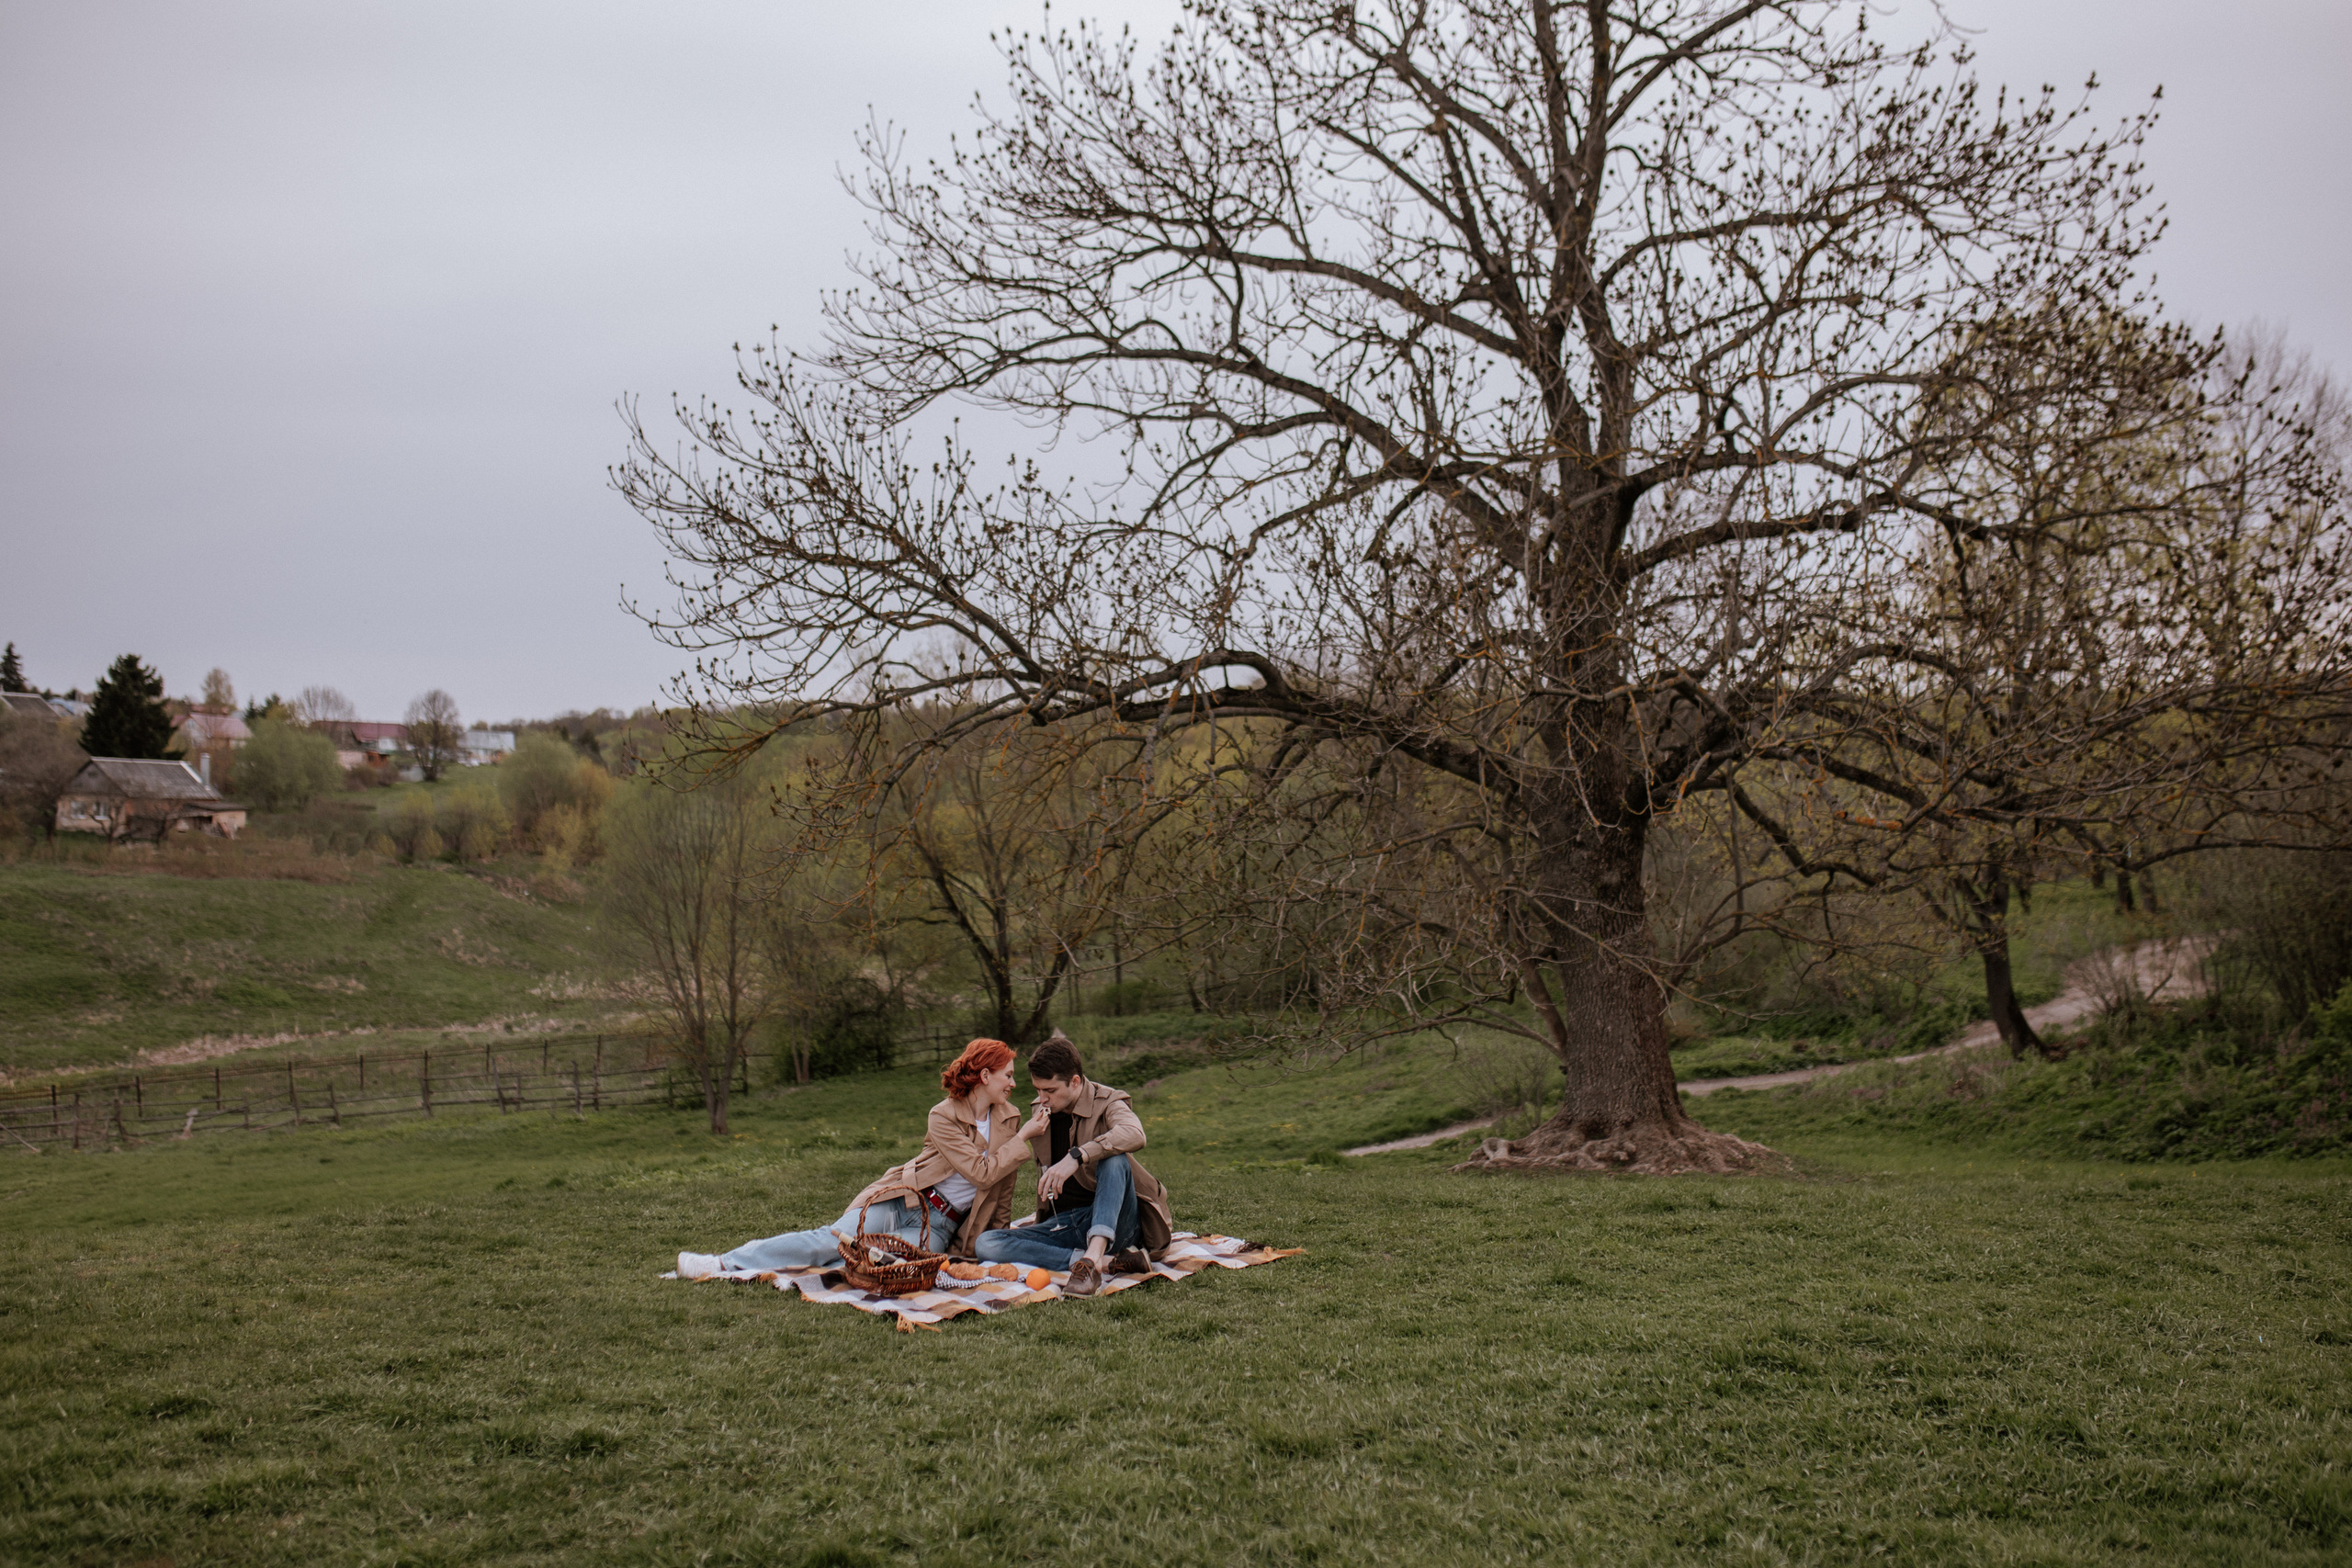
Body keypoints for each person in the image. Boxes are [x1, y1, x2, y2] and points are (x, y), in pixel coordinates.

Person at [675, 1038, 1046, 1279]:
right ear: (985, 1075)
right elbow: (981, 1173)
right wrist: (1026, 1136)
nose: (1013, 1084)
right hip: (905, 1200)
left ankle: (788, 1272)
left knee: (880, 1267)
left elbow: (1001, 1188)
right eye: (1008, 1075)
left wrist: (994, 1245)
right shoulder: (943, 1115)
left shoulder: (1008, 1118)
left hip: (940, 1227)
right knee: (831, 1242)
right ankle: (723, 1262)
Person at [973, 1031, 1173, 1297]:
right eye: (1038, 1090)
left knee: (1113, 1158)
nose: (1042, 1099)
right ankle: (1101, 1262)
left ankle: (1090, 1263)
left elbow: (1135, 1133)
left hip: (1120, 1222)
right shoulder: (1040, 1112)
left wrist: (1077, 1156)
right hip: (1070, 1223)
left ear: (1076, 1081)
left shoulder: (1108, 1101)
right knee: (987, 1244)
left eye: (1050, 1090)